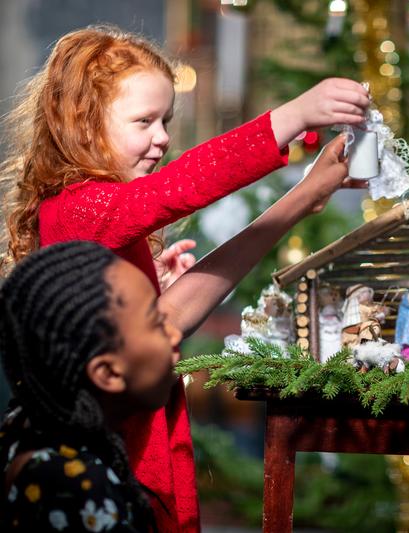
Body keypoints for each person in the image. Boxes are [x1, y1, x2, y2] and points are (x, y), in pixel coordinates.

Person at [0, 25, 369, 531]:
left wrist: (302, 199)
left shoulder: (108, 222)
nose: (163, 138)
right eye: (144, 121)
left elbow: (172, 321)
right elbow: (180, 186)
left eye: (166, 120)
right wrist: (292, 117)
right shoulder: (79, 210)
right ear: (81, 126)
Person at [0, 241, 181, 531]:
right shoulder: (78, 491)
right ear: (107, 372)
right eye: (158, 323)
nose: (175, 334)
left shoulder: (25, 427)